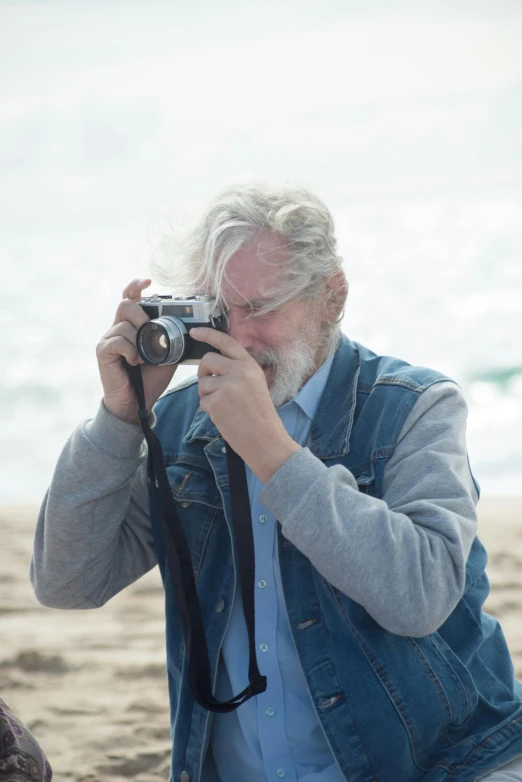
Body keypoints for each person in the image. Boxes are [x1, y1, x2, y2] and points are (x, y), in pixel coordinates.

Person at [31, 182, 522, 782]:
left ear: (331, 297)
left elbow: (418, 595)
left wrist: (270, 451)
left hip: (442, 763)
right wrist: (121, 417)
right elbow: (66, 582)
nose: (236, 338)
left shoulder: (416, 407)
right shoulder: (185, 422)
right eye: (218, 310)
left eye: (260, 308)